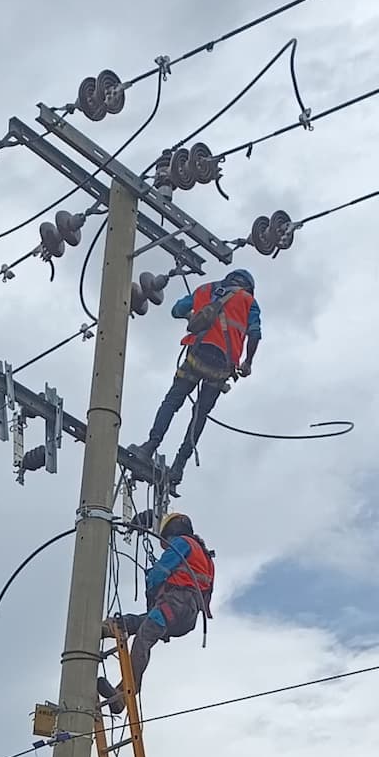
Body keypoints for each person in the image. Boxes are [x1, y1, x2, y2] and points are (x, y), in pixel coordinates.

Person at [123, 266, 259, 475]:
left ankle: (150, 446)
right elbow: (255, 333)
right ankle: (178, 467)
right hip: (221, 367)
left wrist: (193, 316)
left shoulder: (206, 289)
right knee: (200, 413)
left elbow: (176, 310)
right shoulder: (249, 302)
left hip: (197, 355)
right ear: (248, 287)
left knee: (172, 402)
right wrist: (248, 362)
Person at [97, 512, 214, 713]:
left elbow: (160, 573)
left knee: (144, 637)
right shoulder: (205, 557)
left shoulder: (182, 543)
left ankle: (126, 693)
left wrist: (151, 583)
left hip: (175, 604)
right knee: (139, 623)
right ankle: (110, 627)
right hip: (188, 615)